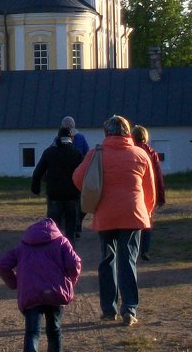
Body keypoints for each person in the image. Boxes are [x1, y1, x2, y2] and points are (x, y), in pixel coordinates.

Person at [72, 114, 155, 327]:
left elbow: (77, 178)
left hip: (106, 213)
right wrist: (146, 211)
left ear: (106, 132)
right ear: (128, 132)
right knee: (128, 261)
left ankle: (109, 309)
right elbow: (150, 191)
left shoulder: (95, 154)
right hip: (134, 214)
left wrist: (95, 193)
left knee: (107, 260)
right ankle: (129, 309)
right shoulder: (140, 154)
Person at [0, 217, 81, 352]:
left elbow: (3, 264)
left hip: (31, 294)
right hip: (55, 293)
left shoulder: (23, 246)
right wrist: (70, 281)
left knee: (32, 331)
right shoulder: (61, 242)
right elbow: (74, 263)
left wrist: (14, 283)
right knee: (54, 331)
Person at [30, 127, 83, 243]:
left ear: (58, 137)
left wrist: (35, 188)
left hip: (54, 196)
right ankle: (70, 256)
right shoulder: (77, 153)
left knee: (53, 229)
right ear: (71, 138)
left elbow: (37, 172)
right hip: (72, 196)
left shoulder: (49, 152)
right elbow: (83, 173)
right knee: (70, 231)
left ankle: (54, 255)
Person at [131, 125, 166, 261]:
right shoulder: (151, 152)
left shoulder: (131, 150)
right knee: (147, 221)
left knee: (133, 222)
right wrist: (161, 196)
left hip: (135, 190)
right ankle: (145, 250)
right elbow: (158, 175)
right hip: (149, 191)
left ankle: (134, 248)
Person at [61, 116, 89, 238]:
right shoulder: (81, 138)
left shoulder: (58, 139)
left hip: (64, 176)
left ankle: (68, 227)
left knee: (66, 202)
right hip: (79, 174)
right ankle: (77, 226)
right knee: (79, 202)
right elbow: (87, 154)